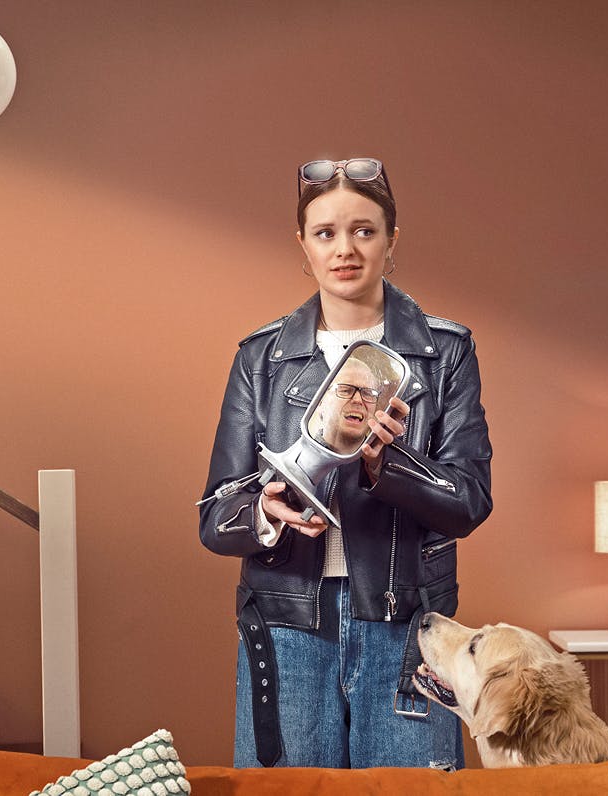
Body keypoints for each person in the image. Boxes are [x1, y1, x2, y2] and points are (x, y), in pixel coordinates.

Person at [198, 156, 492, 770]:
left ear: (391, 241)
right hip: (286, 628)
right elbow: (215, 514)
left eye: (364, 230)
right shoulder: (262, 357)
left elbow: (469, 501)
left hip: (409, 627)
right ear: (302, 245)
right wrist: (266, 510)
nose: (345, 249)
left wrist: (389, 468)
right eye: (325, 233)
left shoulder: (446, 354)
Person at [310, 357, 383, 454]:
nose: (358, 400)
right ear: (320, 402)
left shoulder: (387, 461)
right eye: (345, 390)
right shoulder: (295, 459)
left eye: (367, 394)